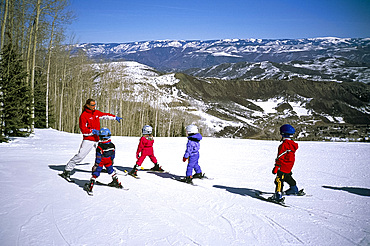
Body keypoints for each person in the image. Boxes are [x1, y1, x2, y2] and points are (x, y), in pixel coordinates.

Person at [60, 99, 122, 181]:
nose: (94, 107)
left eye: (95, 105)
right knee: (80, 156)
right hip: (89, 139)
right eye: (92, 105)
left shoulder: (96, 112)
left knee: (106, 152)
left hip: (98, 139)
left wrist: (115, 117)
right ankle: (67, 170)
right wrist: (92, 131)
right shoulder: (84, 116)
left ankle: (105, 168)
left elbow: (105, 115)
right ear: (87, 105)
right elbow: (83, 130)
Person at [84, 128, 122, 194]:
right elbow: (113, 154)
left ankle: (91, 185)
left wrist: (96, 165)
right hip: (109, 160)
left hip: (101, 161)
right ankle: (116, 181)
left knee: (96, 172)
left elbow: (98, 157)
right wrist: (112, 160)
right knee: (111, 170)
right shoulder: (112, 145)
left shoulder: (100, 146)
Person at [271, 124, 300, 203]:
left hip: (283, 165)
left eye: (281, 134)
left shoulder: (284, 145)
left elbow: (280, 157)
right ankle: (294, 189)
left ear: (283, 134)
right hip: (289, 165)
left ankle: (278, 195)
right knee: (287, 177)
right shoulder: (292, 144)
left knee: (279, 180)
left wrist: (276, 166)